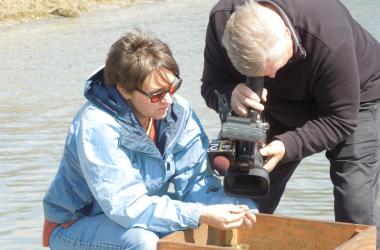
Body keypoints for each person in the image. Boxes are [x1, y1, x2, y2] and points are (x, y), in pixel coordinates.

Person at [42, 31, 257, 250]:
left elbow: (196, 182)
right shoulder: (96, 125)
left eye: (173, 87)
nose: (168, 99)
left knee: (244, 209)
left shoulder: (178, 111)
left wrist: (230, 208)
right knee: (143, 242)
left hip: (140, 215)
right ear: (125, 90)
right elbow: (126, 205)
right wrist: (200, 213)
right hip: (75, 225)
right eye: (156, 94)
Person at [201, 0, 380, 247]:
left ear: (287, 34)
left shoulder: (328, 35)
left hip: (356, 100)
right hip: (273, 107)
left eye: (273, 68)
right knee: (246, 197)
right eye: (261, 73)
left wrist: (289, 145)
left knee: (354, 205)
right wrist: (230, 92)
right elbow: (211, 85)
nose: (271, 77)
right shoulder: (221, 19)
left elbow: (341, 119)